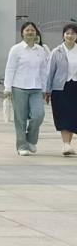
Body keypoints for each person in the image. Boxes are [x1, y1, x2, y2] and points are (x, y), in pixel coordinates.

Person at [4, 21, 51, 156]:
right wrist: (7, 87)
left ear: (36, 33)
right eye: (27, 30)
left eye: (32, 30)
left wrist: (45, 88)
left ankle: (31, 139)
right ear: (22, 33)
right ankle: (22, 146)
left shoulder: (40, 50)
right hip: (19, 87)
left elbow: (44, 70)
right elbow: (10, 69)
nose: (30, 32)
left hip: (36, 88)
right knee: (20, 118)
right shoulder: (16, 49)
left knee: (39, 115)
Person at [46, 23, 77, 156]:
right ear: (63, 35)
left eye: (73, 33)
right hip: (60, 88)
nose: (70, 36)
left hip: (75, 86)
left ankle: (68, 144)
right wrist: (47, 90)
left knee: (73, 115)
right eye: (67, 33)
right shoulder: (56, 51)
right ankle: (66, 144)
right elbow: (50, 72)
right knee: (63, 115)